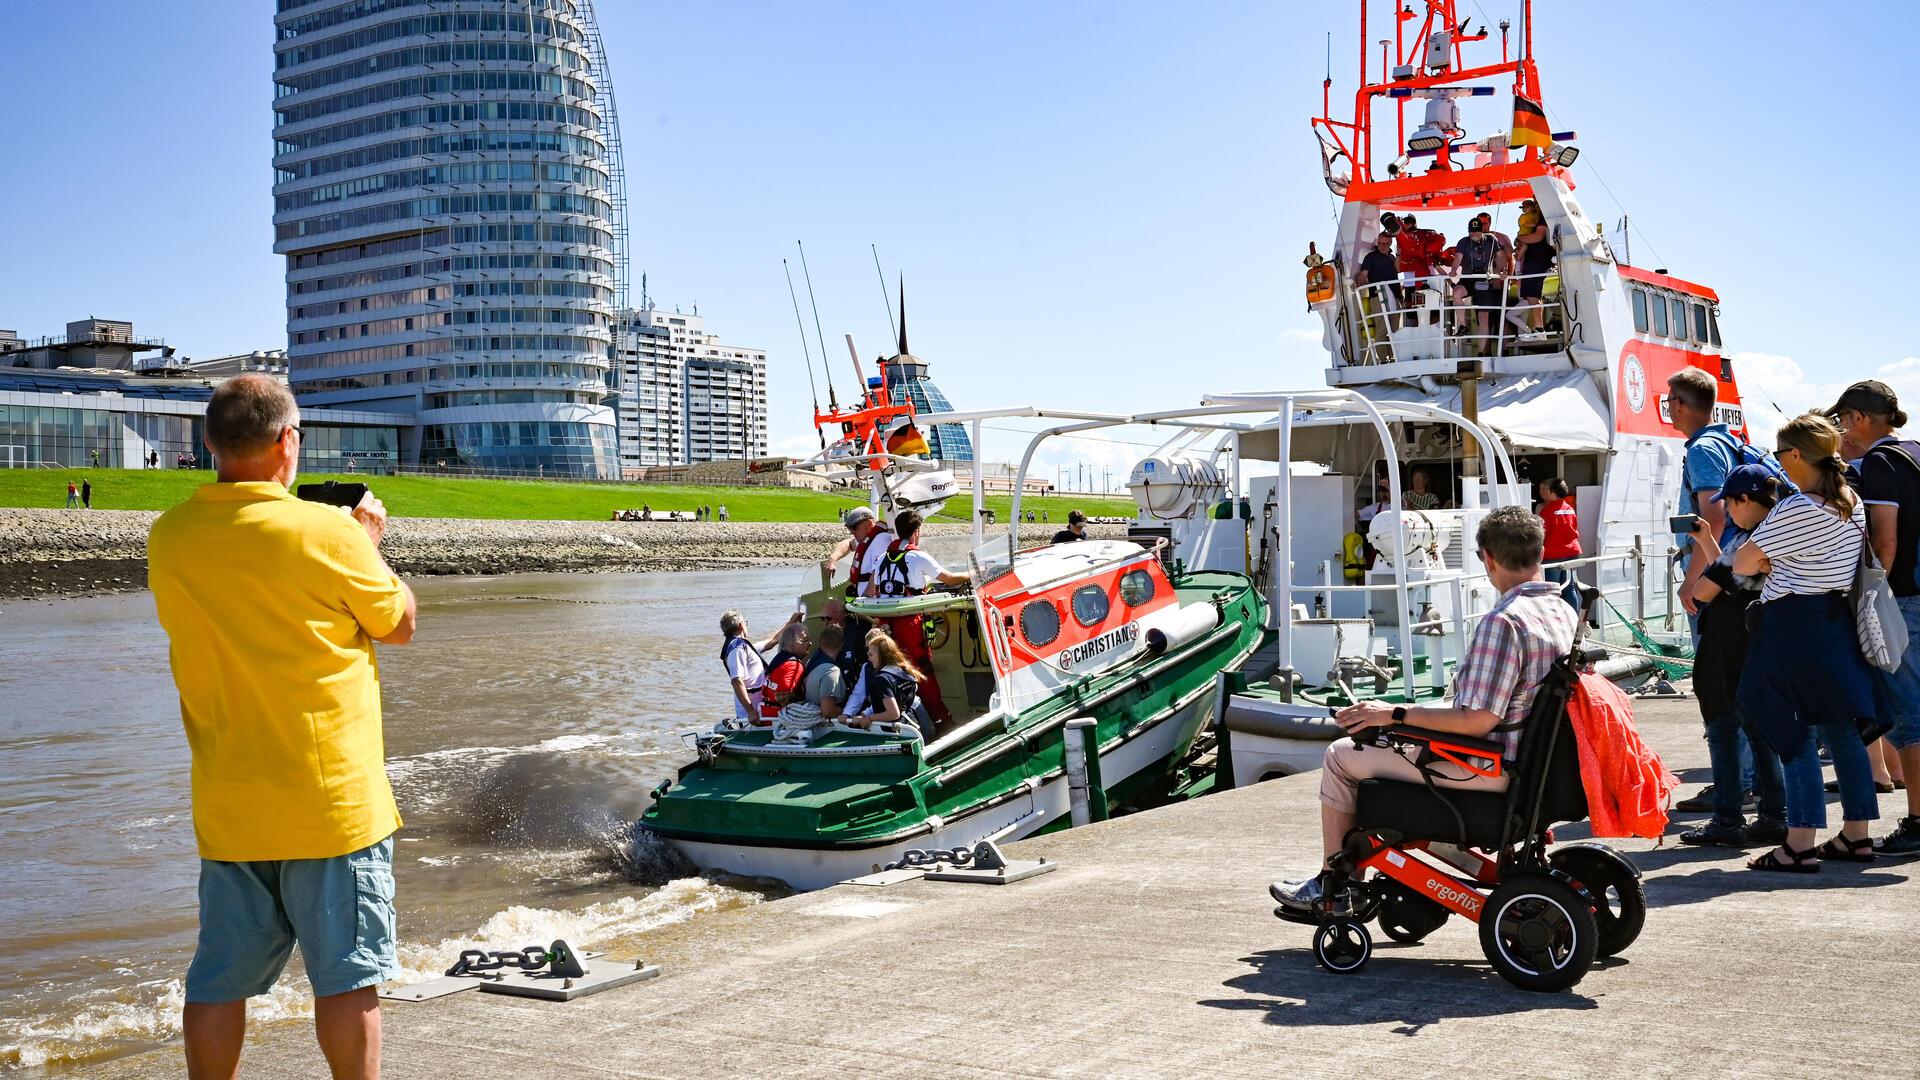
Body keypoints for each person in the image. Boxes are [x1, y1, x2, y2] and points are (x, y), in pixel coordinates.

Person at [147, 375, 417, 1080]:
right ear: (287, 441)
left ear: (208, 442)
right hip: (329, 805)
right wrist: (369, 541)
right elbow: (400, 625)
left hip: (230, 800)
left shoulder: (170, 536)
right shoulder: (329, 532)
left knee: (217, 980)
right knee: (346, 978)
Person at [1272, 507, 1578, 911]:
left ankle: (1336, 886)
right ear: (1540, 552)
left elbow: (1476, 719)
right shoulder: (1564, 611)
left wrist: (1392, 714)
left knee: (1342, 757)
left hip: (1487, 767)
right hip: (1534, 766)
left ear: (1487, 558)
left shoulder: (1505, 622)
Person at [1733, 413, 1884, 871]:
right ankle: (1856, 836)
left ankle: (1799, 842)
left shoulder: (1798, 507)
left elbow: (1743, 560)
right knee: (1841, 728)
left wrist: (1767, 565)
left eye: (1780, 455)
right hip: (1834, 620)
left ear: (1796, 455)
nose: (1778, 464)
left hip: (1791, 626)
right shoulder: (1851, 501)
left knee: (1788, 725)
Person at [1827, 380, 1920, 855]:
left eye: (1843, 419)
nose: (1841, 428)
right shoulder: (1915, 451)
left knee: (1909, 716)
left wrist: (1866, 599)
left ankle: (1918, 823)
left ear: (1860, 418)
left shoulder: (1881, 463)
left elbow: (1885, 541)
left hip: (1903, 599)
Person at [1677, 465, 1787, 846]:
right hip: (1758, 643)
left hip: (1727, 649)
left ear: (1745, 500)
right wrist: (1708, 541)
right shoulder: (1778, 532)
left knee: (1724, 731)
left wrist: (1708, 576)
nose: (1728, 511)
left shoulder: (1750, 543)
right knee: (1761, 734)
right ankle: (1775, 816)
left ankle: (1727, 819)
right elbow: (1726, 575)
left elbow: (1705, 591)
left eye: (1731, 503)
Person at [863, 509, 968, 729]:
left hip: (886, 624)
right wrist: (973, 575)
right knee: (920, 671)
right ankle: (942, 721)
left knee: (890, 670)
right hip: (909, 623)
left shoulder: (881, 558)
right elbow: (948, 579)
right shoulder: (917, 556)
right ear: (916, 532)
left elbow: (871, 590)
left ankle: (895, 717)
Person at [842, 631, 928, 739]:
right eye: (867, 650)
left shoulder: (883, 678)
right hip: (909, 718)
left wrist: (869, 717)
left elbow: (892, 710)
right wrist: (848, 713)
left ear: (881, 652)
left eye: (871, 652)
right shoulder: (901, 668)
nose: (868, 656)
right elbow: (859, 694)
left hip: (907, 717)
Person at [719, 608, 800, 721]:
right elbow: (737, 681)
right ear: (742, 625)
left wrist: (790, 622)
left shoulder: (744, 646)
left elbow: (771, 641)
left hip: (759, 704)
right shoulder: (737, 648)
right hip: (752, 708)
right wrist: (750, 711)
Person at [1447, 217, 1509, 353]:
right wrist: (1453, 270)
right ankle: (1463, 325)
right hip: (1468, 279)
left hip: (1484, 282)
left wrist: (1504, 271)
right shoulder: (1463, 242)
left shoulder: (1491, 240)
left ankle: (1482, 352)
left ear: (1482, 231)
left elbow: (1501, 256)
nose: (1474, 234)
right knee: (1457, 292)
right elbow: (1458, 258)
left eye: (1476, 231)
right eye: (1471, 231)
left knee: (1484, 318)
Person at [825, 506, 889, 596]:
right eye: (850, 528)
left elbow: (878, 571)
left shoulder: (880, 539)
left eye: (854, 527)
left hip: (870, 602)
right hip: (861, 598)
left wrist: (864, 600)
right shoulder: (866, 539)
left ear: (869, 524)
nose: (851, 531)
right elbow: (848, 543)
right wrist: (833, 559)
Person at [1513, 198, 1555, 331]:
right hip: (1537, 260)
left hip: (1536, 260)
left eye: (1536, 202)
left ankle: (1539, 329)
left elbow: (1538, 236)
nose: (1535, 205)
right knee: (1535, 297)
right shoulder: (1543, 216)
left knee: (1532, 296)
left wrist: (1519, 238)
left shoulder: (1542, 217)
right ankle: (1539, 329)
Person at [1537, 478, 1581, 603]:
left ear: (1552, 492)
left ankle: (1555, 620)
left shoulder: (1547, 511)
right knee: (1570, 587)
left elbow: (1541, 533)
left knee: (1553, 590)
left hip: (1554, 554)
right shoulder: (1570, 509)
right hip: (1572, 553)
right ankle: (1573, 620)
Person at [1355, 231, 1402, 342]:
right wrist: (1358, 280)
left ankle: (1393, 357)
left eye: (1385, 244)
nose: (1382, 246)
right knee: (1382, 329)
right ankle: (1383, 359)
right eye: (1380, 243)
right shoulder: (1371, 257)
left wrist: (1398, 255)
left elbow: (1398, 270)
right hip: (1379, 297)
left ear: (1390, 244)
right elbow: (1364, 274)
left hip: (1395, 298)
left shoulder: (1391, 257)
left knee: (1395, 331)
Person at [757, 623, 810, 720]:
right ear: (792, 643)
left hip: (766, 715)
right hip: (781, 720)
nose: (809, 644)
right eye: (805, 640)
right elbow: (783, 695)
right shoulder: (794, 665)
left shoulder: (778, 659)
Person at [803, 623, 850, 718]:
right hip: (823, 723)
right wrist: (847, 710)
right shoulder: (831, 671)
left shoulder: (812, 660)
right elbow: (828, 712)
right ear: (841, 645)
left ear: (820, 641)